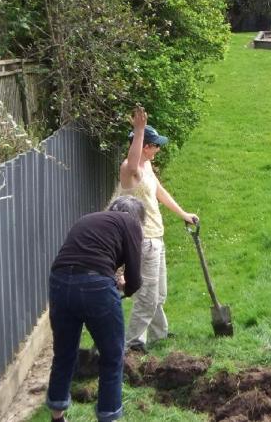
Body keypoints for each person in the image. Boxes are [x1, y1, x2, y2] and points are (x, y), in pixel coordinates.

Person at [46, 196, 145, 422]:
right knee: (112, 355)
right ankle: (108, 416)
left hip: (59, 281)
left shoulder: (89, 219)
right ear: (138, 219)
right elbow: (135, 278)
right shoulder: (130, 224)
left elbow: (82, 255)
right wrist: (124, 288)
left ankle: (57, 415)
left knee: (64, 352)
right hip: (95, 286)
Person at [116, 106, 198, 352]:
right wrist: (139, 130)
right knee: (147, 297)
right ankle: (132, 344)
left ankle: (159, 335)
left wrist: (183, 213)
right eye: (155, 145)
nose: (158, 149)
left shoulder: (149, 168)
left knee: (159, 294)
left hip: (157, 237)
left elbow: (159, 192)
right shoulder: (130, 171)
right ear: (145, 147)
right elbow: (133, 164)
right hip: (144, 240)